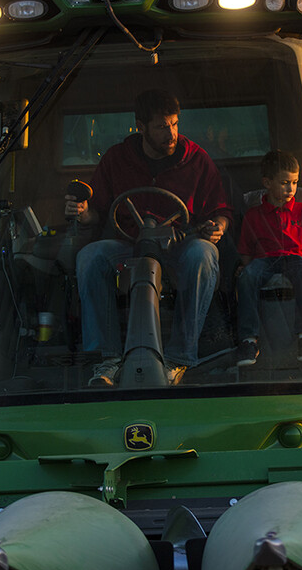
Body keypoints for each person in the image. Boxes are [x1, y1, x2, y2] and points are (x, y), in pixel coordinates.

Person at [64, 90, 232, 386]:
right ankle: (107, 359)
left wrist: (217, 225)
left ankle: (179, 358)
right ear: (140, 127)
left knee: (203, 254)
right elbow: (97, 212)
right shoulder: (117, 159)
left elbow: (220, 209)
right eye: (162, 127)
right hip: (129, 245)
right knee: (90, 257)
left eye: (175, 124)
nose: (171, 134)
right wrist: (82, 211)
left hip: (179, 245)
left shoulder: (197, 159)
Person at [235, 149, 302, 366]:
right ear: (267, 182)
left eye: (294, 182)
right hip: (263, 260)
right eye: (285, 182)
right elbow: (246, 250)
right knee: (247, 278)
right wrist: (245, 269)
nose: (290, 188)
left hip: (294, 258)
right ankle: (249, 340)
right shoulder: (254, 215)